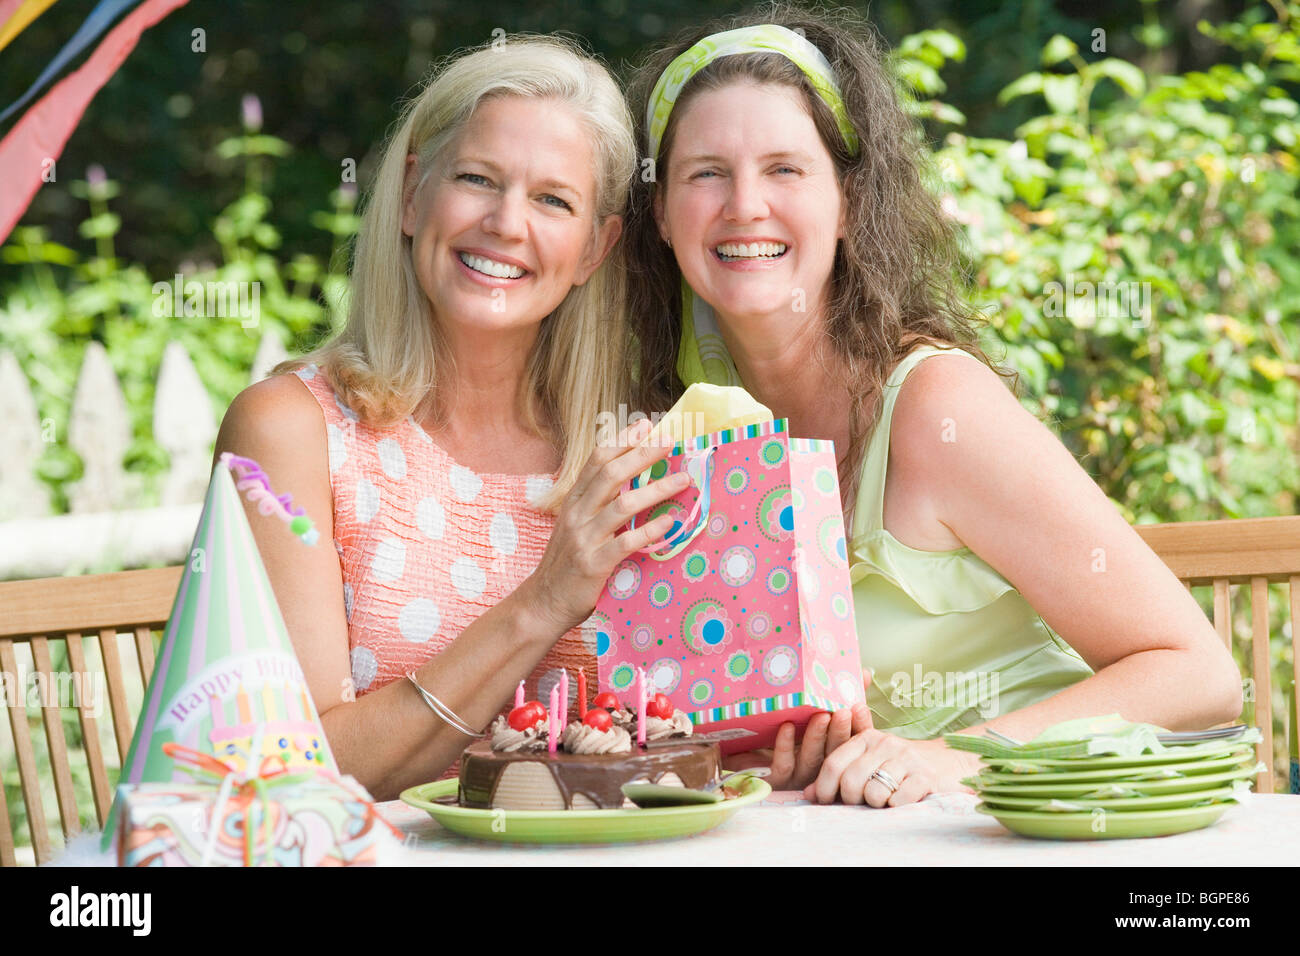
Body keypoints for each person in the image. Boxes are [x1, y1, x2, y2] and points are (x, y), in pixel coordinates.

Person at [623, 3, 1242, 807]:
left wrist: (959, 755)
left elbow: (1198, 674)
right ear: (662, 214)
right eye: (706, 172)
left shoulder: (932, 407)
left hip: (1043, 830)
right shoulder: (690, 435)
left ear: (847, 201)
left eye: (785, 168)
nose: (744, 204)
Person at [214, 36, 685, 801]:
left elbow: (685, 735)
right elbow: (298, 767)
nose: (505, 223)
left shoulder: (624, 450)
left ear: (596, 247)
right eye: (477, 179)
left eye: (552, 200)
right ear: (410, 194)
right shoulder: (291, 431)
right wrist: (543, 601)